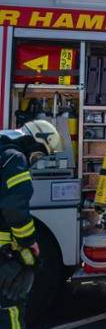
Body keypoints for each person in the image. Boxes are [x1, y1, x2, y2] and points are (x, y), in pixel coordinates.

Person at [0, 120, 63, 329]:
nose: (37, 160)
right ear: (36, 141)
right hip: (3, 249)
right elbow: (14, 208)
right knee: (10, 307)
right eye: (41, 153)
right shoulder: (14, 158)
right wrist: (29, 242)